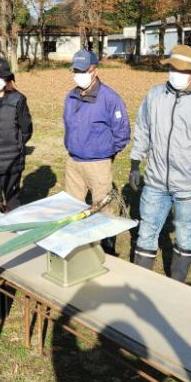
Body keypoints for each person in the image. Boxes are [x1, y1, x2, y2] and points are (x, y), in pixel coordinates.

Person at [129, 45, 191, 282]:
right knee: (146, 231)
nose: (175, 73)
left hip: (188, 184)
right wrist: (134, 163)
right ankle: (140, 283)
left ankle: (177, 283)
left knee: (184, 231)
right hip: (155, 180)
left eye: (181, 69)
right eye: (172, 68)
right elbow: (143, 129)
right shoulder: (155, 95)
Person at [63, 49, 130, 254]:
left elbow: (122, 132)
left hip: (99, 163)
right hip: (73, 162)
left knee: (103, 210)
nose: (78, 74)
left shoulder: (110, 98)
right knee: (72, 207)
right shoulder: (71, 96)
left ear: (95, 71)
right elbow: (68, 124)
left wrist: (108, 154)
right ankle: (78, 248)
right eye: (75, 70)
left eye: (83, 70)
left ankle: (107, 251)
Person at [0, 56, 33, 212]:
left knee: (12, 201)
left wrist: (14, 144)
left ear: (7, 79)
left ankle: (14, 231)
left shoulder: (18, 100)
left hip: (11, 161)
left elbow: (26, 130)